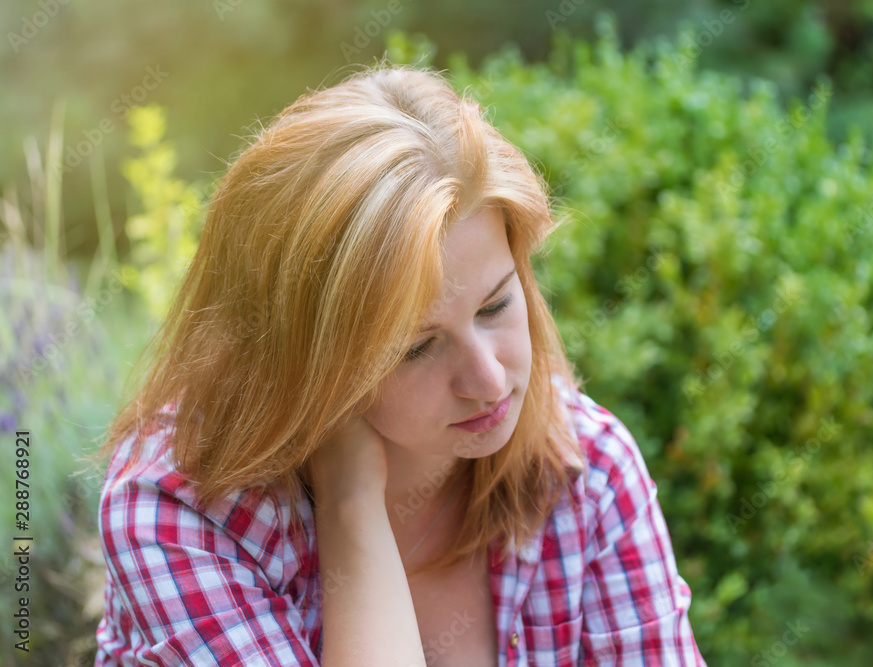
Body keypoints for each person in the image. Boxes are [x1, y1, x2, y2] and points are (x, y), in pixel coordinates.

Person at [92, 64, 706, 666]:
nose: (489, 381)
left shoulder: (583, 471)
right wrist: (351, 507)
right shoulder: (182, 509)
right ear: (302, 356)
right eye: (415, 348)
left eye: (494, 305)